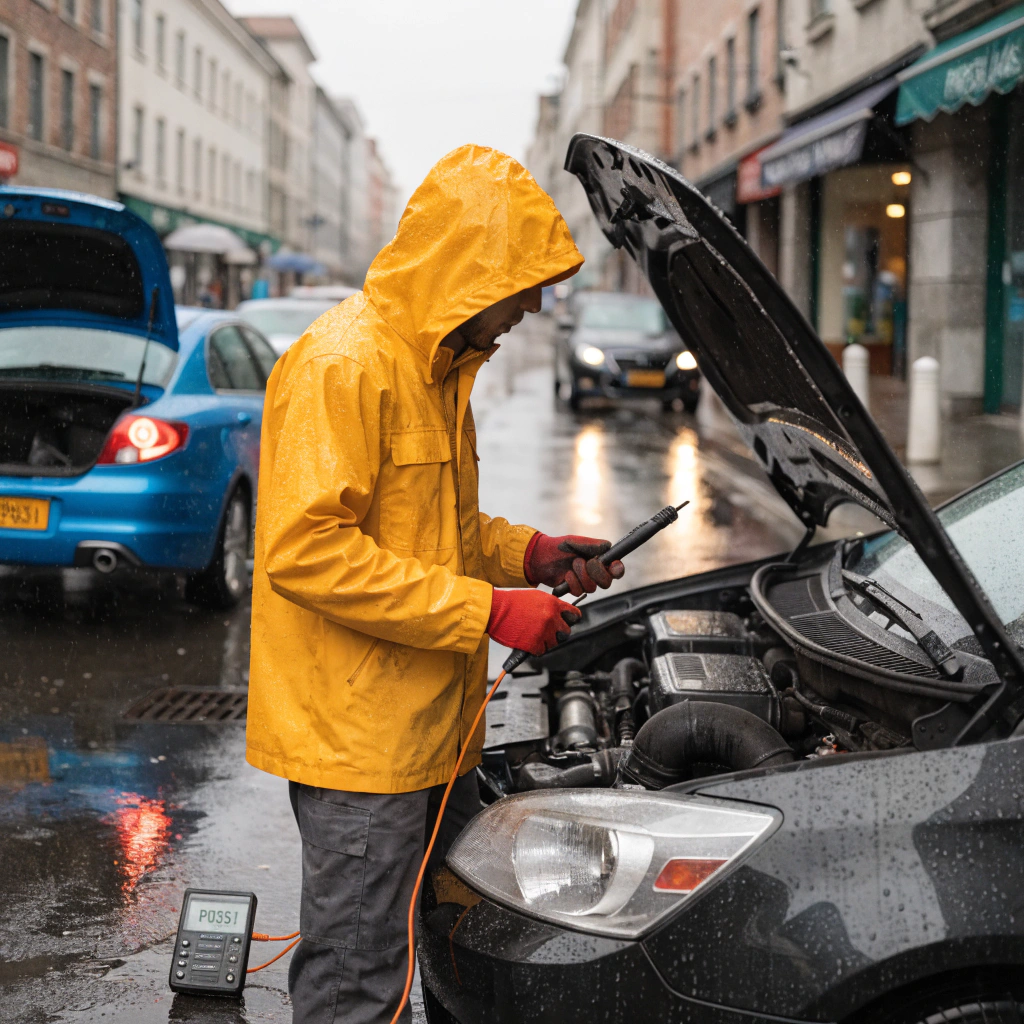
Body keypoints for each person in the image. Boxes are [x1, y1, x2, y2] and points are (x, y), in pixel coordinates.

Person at [246, 145, 626, 1024]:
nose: (534, 307)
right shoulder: (344, 364)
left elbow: (436, 533)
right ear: (470, 269)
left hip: (433, 735)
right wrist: (489, 609)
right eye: (525, 285)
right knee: (356, 984)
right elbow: (305, 553)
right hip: (363, 751)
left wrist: (533, 556)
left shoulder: (439, 370)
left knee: (437, 953)